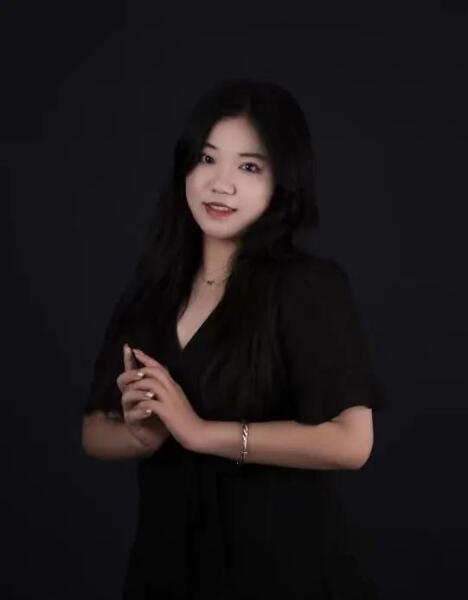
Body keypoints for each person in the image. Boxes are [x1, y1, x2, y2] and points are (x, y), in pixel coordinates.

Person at [81, 78, 387, 600]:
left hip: (281, 571)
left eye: (249, 167)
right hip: (165, 569)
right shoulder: (155, 287)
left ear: (282, 182)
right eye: (207, 159)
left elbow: (352, 442)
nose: (220, 184)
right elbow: (93, 428)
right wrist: (141, 436)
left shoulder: (307, 286)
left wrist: (202, 433)